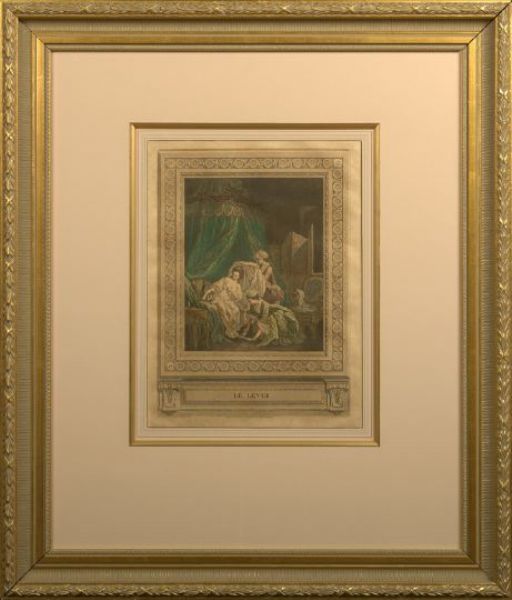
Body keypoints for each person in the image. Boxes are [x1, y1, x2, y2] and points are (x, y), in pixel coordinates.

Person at [202, 268, 248, 339]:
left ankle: (232, 329)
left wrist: (233, 295)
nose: (235, 276)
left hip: (229, 301)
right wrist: (213, 290)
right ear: (232, 274)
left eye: (237, 275)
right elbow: (217, 286)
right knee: (224, 310)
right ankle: (229, 330)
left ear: (239, 276)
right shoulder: (226, 280)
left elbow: (239, 297)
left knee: (236, 311)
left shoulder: (238, 286)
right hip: (220, 298)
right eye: (234, 274)